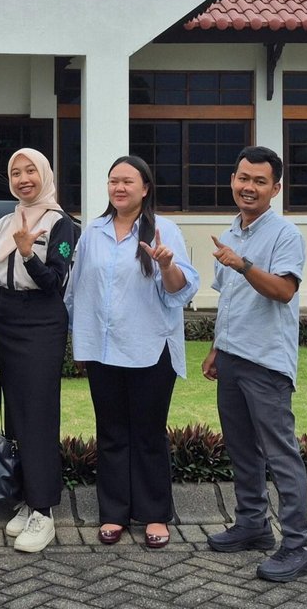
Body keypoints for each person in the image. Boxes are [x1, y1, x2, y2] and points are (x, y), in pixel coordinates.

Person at [65, 155, 197, 550]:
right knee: (110, 433)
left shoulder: (164, 230)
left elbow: (181, 290)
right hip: (103, 350)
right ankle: (114, 513)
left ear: (145, 188)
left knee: (148, 434)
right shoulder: (93, 232)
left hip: (150, 349)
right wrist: (78, 341)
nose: (119, 188)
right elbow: (76, 291)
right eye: (113, 181)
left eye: (127, 181)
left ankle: (155, 514)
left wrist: (167, 265)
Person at [201, 145, 307, 582]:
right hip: (232, 357)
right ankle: (252, 524)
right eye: (243, 178)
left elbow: (284, 291)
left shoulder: (286, 235)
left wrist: (243, 264)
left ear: (275, 188)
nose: (249, 187)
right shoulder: (230, 232)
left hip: (266, 362)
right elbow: (229, 300)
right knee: (241, 449)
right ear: (233, 180)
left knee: (280, 455)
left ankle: (298, 545)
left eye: (260, 181)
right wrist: (217, 347)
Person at [0, 148, 77, 553]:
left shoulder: (61, 224)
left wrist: (27, 252)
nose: (23, 179)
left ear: (45, 174)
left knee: (39, 415)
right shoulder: (4, 222)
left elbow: (55, 282)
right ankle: (27, 498)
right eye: (15, 172)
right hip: (6, 318)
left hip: (41, 322)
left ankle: (44, 510)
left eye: (30, 171)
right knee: (16, 415)